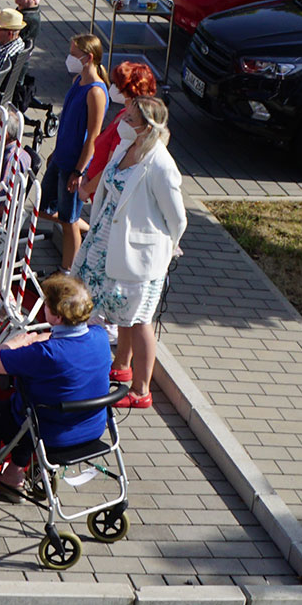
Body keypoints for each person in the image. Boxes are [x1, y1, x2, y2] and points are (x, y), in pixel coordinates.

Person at [0, 273, 114, 515]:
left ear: (56, 315)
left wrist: (17, 342)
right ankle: (13, 475)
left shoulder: (45, 354)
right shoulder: (100, 337)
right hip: (91, 429)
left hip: (50, 433)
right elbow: (68, 346)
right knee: (33, 403)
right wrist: (46, 337)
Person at [72, 96, 186, 409]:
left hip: (139, 256)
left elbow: (177, 218)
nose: (123, 120)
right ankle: (121, 367)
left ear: (147, 126)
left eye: (131, 117)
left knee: (139, 320)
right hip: (106, 245)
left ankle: (141, 389)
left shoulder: (160, 165)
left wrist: (164, 249)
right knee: (120, 313)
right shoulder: (125, 147)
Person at [46, 34, 109, 271]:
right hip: (61, 158)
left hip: (73, 164)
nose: (69, 58)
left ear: (88, 57)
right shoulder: (77, 81)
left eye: (74, 54)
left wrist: (79, 171)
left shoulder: (96, 92)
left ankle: (68, 271)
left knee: (68, 221)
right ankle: (87, 228)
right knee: (48, 209)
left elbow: (93, 136)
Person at [81, 61, 160, 197]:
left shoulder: (129, 124)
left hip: (104, 193)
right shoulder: (124, 113)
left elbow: (112, 166)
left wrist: (86, 189)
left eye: (117, 85)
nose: (113, 87)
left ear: (129, 90)